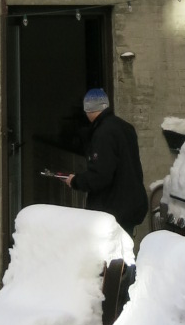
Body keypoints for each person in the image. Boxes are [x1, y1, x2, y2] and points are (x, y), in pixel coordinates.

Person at [54, 88, 147, 236]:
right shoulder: (126, 128)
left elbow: (100, 175)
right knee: (125, 246)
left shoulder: (103, 133)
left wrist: (75, 181)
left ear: (88, 110)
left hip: (113, 209)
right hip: (131, 204)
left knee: (111, 248)